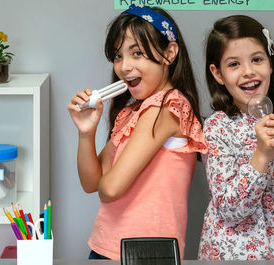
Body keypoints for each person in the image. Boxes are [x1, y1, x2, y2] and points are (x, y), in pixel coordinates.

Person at [67, 4, 206, 260]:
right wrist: (86, 132)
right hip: (106, 245)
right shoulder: (133, 111)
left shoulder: (168, 106)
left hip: (147, 252)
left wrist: (105, 181)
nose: (124, 66)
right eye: (118, 56)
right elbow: (90, 183)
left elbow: (109, 188)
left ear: (170, 53)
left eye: (137, 53)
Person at [197, 15, 274, 260]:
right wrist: (262, 156)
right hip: (228, 254)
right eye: (234, 64)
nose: (248, 72)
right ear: (218, 73)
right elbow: (229, 209)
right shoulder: (216, 128)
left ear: (270, 61)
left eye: (257, 59)